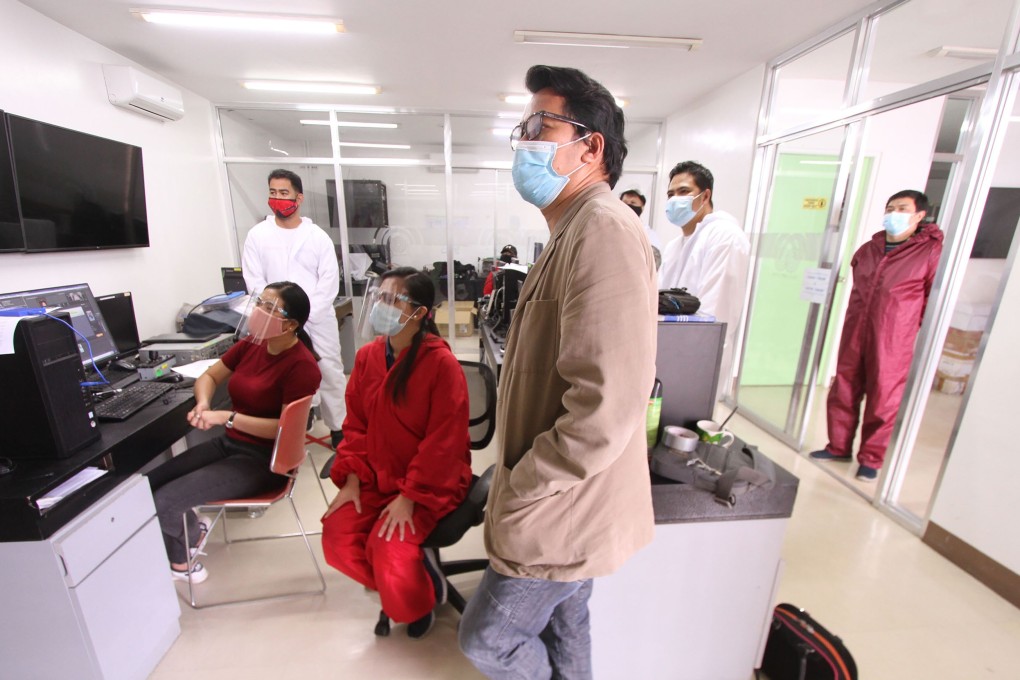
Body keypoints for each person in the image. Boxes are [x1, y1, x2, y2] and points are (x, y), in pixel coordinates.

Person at [458, 65, 657, 679]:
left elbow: (605, 407)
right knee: (569, 621)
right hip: (566, 505)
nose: (523, 143)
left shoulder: (603, 230)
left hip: (559, 508)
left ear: (589, 146)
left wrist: (523, 487)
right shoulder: (573, 230)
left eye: (538, 128)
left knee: (486, 640)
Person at [321, 267, 472, 640]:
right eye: (379, 298)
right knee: (337, 536)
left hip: (427, 483)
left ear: (420, 313)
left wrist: (408, 497)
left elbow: (444, 443)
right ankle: (410, 580)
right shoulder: (369, 357)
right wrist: (351, 479)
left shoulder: (441, 364)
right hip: (374, 475)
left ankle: (418, 602)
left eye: (392, 300)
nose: (381, 307)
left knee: (387, 548)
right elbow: (355, 425)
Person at [148, 282, 322, 582]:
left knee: (166, 502)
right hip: (230, 445)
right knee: (149, 487)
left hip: (264, 460)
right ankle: (193, 530)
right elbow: (211, 376)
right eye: (259, 303)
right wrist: (203, 404)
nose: (258, 311)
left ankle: (184, 563)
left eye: (269, 308)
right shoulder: (253, 344)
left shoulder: (302, 366)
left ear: (291, 324)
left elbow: (285, 430)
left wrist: (227, 417)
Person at [811, 190, 943, 482]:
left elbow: (933, 300)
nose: (894, 213)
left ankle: (871, 458)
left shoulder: (930, 251)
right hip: (856, 327)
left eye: (902, 208)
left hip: (894, 335)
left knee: (883, 395)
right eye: (890, 208)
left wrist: (909, 328)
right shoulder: (870, 248)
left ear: (919, 215)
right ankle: (838, 446)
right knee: (844, 386)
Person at [242, 169, 347, 449]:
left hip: (315, 318)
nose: (277, 198)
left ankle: (338, 427)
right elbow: (254, 280)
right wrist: (276, 315)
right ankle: (294, 424)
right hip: (276, 321)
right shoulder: (257, 235)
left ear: (298, 198)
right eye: (273, 192)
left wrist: (305, 315)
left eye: (284, 193)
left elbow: (328, 280)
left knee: (329, 370)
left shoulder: (316, 236)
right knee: (282, 373)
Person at [658, 161, 750, 399]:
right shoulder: (675, 246)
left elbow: (714, 312)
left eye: (684, 191)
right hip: (669, 352)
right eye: (671, 194)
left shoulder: (724, 237)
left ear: (705, 195)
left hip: (699, 358)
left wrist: (689, 359)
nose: (674, 199)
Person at [620, 189, 662, 269]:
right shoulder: (613, 230)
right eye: (624, 203)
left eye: (633, 203)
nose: (628, 206)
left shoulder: (650, 235)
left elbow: (654, 264)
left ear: (642, 207)